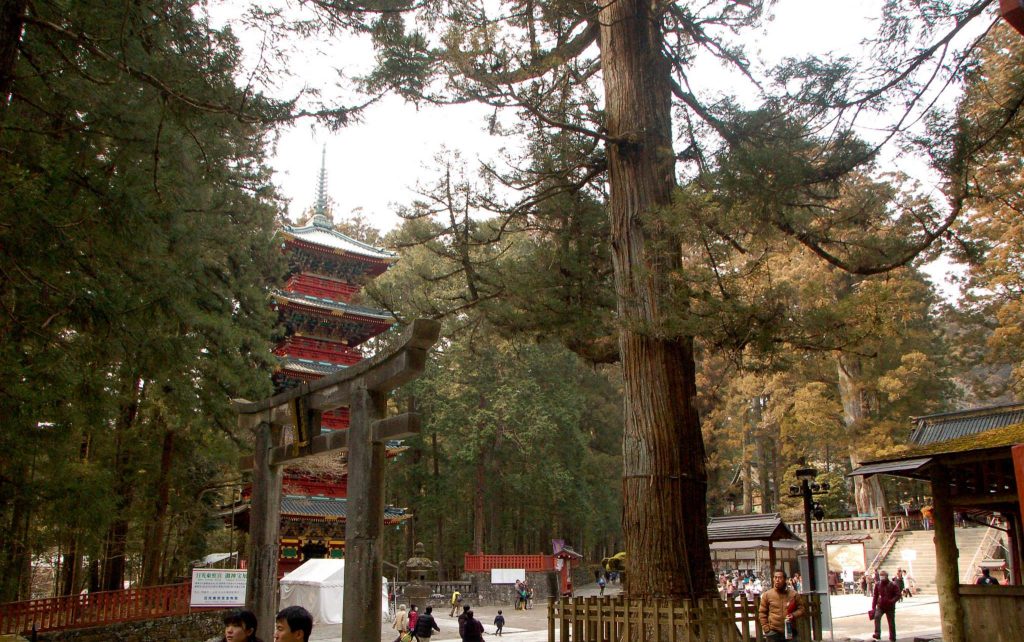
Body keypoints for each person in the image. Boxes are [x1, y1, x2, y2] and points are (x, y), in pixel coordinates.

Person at [758, 570, 806, 642]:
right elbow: (762, 613)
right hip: (773, 632)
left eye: (780, 578)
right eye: (775, 577)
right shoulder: (767, 595)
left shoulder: (793, 594)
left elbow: (801, 609)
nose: (777, 580)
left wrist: (793, 615)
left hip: (790, 630)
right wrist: (766, 629)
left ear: (785, 579)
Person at [871, 569, 901, 642]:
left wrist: (892, 601)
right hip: (880, 605)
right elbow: (875, 596)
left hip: (890, 606)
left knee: (891, 622)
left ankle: (892, 637)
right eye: (881, 576)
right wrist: (873, 607)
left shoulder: (893, 584)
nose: (882, 578)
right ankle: (877, 633)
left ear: (887, 576)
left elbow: (898, 595)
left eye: (883, 576)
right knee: (877, 617)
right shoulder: (878, 584)